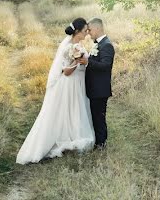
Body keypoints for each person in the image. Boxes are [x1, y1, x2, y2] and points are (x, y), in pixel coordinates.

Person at [15, 17, 95, 164]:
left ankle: (73, 135)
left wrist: (85, 62)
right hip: (69, 83)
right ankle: (61, 139)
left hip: (78, 83)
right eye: (84, 31)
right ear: (77, 31)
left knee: (76, 109)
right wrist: (77, 62)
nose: (86, 34)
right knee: (67, 110)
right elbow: (66, 72)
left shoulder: (78, 45)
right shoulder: (68, 48)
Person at [79, 17, 114, 148]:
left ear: (98, 28)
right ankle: (98, 141)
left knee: (99, 117)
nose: (88, 33)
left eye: (90, 30)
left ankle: (101, 144)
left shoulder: (107, 45)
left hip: (100, 90)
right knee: (95, 116)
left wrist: (88, 62)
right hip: (95, 89)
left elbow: (106, 65)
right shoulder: (98, 43)